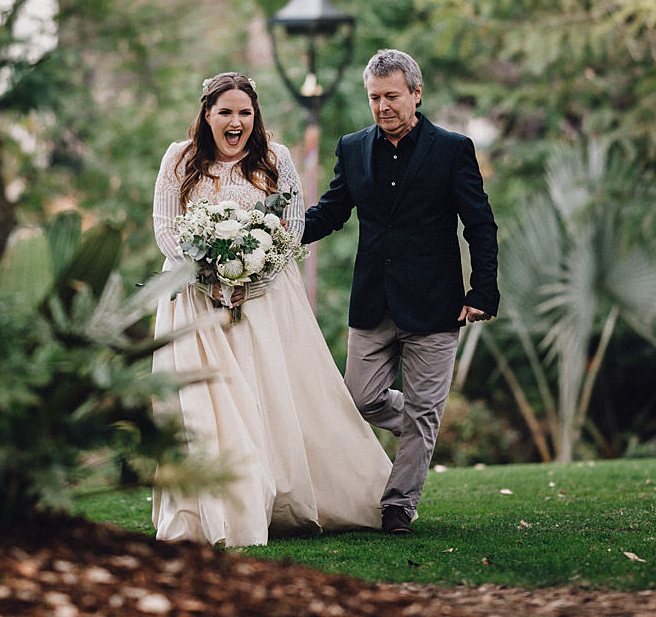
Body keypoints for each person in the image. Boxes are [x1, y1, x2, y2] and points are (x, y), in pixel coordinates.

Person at [150, 71, 393, 547]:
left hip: (264, 301)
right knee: (208, 405)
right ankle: (213, 509)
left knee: (269, 398)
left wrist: (249, 279)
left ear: (255, 116)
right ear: (207, 115)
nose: (236, 121)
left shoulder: (275, 159)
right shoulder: (178, 158)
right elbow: (165, 228)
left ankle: (280, 497)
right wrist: (209, 277)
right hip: (196, 304)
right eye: (226, 112)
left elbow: (292, 226)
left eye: (245, 112)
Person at [303, 49, 499, 535]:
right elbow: (330, 212)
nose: (383, 106)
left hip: (436, 304)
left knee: (425, 411)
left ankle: (398, 506)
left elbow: (480, 224)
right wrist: (273, 233)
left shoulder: (453, 149)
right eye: (374, 98)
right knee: (361, 399)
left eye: (392, 96)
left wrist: (483, 290)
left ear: (416, 93)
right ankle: (418, 424)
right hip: (372, 301)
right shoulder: (351, 147)